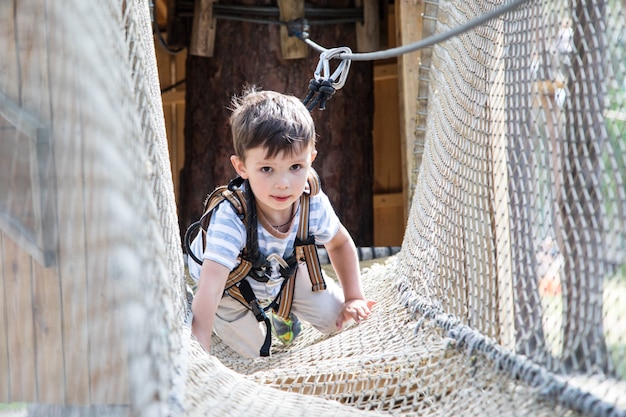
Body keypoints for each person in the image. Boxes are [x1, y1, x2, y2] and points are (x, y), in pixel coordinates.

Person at [189, 87, 375, 358]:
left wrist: (354, 297)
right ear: (242, 167)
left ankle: (283, 309)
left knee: (337, 319)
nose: (283, 183)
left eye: (295, 167)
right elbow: (212, 283)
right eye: (267, 169)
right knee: (256, 350)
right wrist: (199, 345)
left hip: (280, 273)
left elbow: (340, 244)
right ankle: (248, 318)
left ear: (311, 159)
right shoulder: (232, 217)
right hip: (228, 289)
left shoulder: (311, 203)